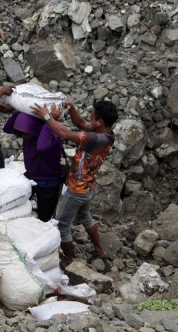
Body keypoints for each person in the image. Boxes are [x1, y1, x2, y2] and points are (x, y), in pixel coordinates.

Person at [31, 100, 118, 268]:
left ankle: (68, 259)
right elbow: (79, 122)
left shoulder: (94, 138)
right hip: (89, 187)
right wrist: (72, 109)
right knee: (86, 216)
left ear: (100, 122)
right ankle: (100, 250)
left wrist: (46, 116)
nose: (89, 119)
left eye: (92, 116)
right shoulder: (107, 134)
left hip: (77, 190)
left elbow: (64, 133)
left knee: (62, 224)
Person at [3, 111, 64, 222]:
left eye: (24, 133)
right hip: (31, 176)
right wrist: (20, 110)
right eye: (20, 134)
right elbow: (7, 129)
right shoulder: (28, 134)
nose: (22, 136)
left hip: (48, 181)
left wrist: (48, 121)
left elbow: (41, 147)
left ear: (34, 127)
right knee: (13, 203)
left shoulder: (52, 132)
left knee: (45, 217)